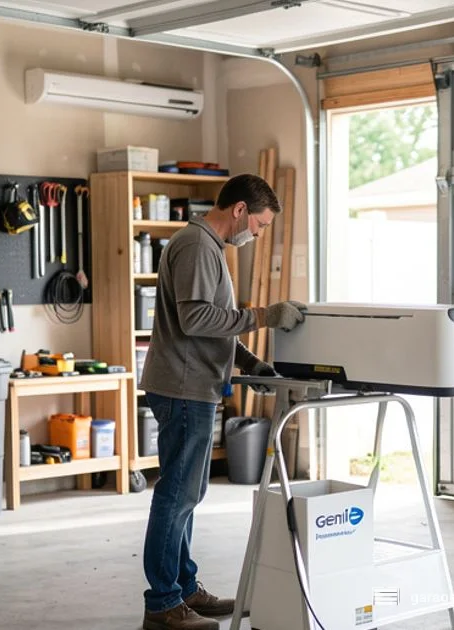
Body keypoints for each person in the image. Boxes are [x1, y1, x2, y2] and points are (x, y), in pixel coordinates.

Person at [138, 173, 305, 630]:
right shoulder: (196, 246)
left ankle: (184, 588)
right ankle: (163, 604)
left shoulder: (208, 248)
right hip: (183, 388)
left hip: (192, 384)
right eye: (261, 223)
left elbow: (215, 325)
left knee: (188, 494)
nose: (259, 232)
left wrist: (250, 362)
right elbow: (196, 319)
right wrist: (263, 317)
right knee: (176, 495)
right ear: (239, 211)